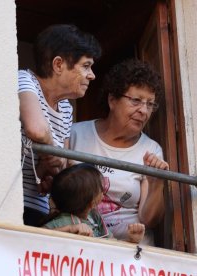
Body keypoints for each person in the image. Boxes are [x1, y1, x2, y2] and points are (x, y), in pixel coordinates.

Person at [69, 59, 169, 245]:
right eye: (136, 101)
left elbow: (149, 220)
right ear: (112, 100)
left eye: (150, 104)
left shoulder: (151, 150)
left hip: (130, 255)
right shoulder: (75, 134)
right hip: (82, 247)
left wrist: (157, 183)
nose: (144, 111)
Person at [18, 24, 101, 227]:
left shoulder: (65, 108)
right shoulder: (24, 79)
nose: (92, 75)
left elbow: (61, 164)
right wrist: (50, 153)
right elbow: (36, 129)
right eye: (86, 66)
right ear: (58, 65)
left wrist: (50, 166)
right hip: (14, 203)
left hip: (41, 209)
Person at [43, 163, 145, 244]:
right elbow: (36, 237)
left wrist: (131, 241)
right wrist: (70, 229)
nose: (104, 192)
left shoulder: (94, 216)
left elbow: (112, 245)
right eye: (101, 189)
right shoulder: (63, 221)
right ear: (92, 202)